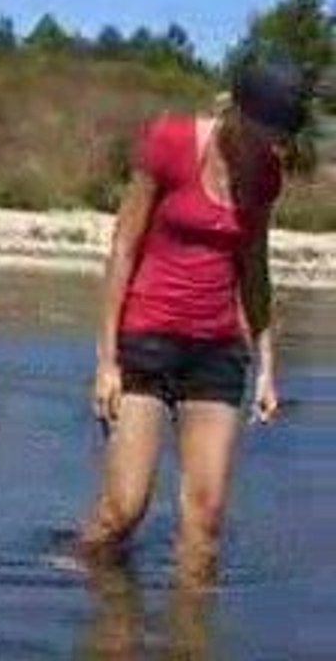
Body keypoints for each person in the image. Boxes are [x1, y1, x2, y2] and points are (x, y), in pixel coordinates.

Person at [79, 55, 310, 586]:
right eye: (262, 130)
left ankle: (190, 640)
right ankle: (84, 587)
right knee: (122, 512)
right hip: (147, 340)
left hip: (216, 350)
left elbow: (254, 267)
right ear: (236, 111)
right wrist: (106, 361)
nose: (269, 145)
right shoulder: (170, 141)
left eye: (278, 135)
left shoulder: (267, 175)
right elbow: (123, 247)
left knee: (203, 527)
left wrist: (268, 366)